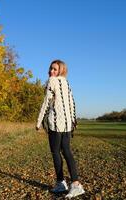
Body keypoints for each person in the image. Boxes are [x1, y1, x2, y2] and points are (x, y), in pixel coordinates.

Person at [36, 60, 85, 198]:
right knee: (67, 151)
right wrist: (73, 121)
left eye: (55, 69)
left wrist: (39, 121)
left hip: (56, 124)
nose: (51, 72)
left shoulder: (51, 81)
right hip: (67, 124)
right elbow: (72, 103)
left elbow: (46, 102)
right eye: (51, 69)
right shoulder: (67, 83)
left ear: (61, 70)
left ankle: (61, 183)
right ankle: (75, 184)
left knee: (56, 152)